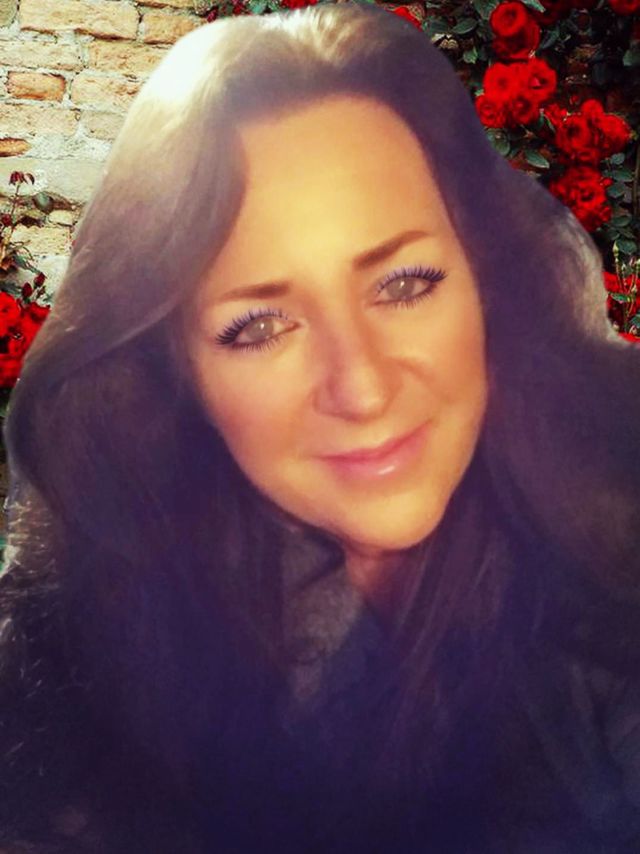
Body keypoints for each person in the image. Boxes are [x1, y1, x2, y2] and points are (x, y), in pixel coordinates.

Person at [1, 2, 639, 851]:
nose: (362, 387)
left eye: (404, 283)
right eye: (259, 326)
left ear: (484, 279)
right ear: (176, 373)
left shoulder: (612, 536)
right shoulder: (79, 662)